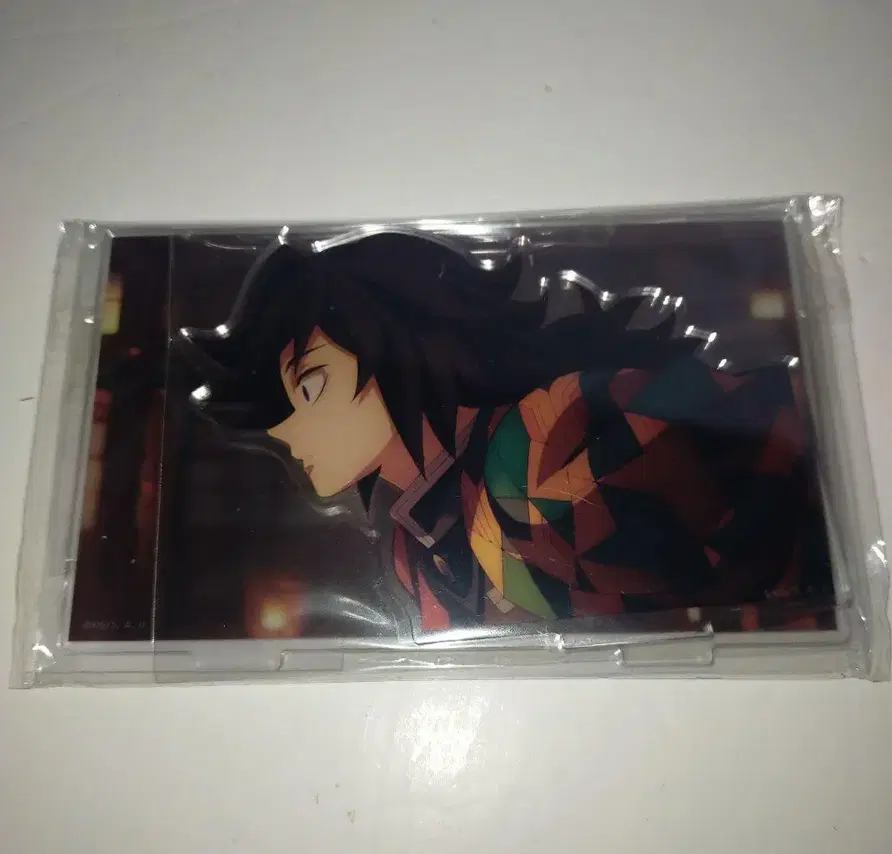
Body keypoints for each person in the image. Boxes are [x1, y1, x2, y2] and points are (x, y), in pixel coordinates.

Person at [181, 230, 833, 635]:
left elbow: (758, 550)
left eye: (311, 386)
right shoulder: (421, 552)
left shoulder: (541, 456)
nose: (290, 428)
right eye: (283, 404)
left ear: (401, 343)